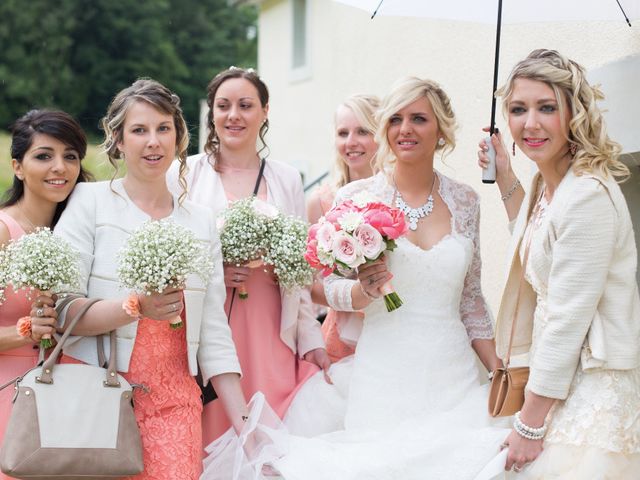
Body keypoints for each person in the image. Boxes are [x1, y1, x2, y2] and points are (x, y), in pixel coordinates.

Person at [202, 77, 510, 480]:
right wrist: (361, 293)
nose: (406, 129)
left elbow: (471, 301)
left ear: (441, 131)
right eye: (396, 119)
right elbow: (323, 286)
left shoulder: (467, 200)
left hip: (455, 374)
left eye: (419, 118)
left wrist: (498, 371)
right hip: (383, 374)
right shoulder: (356, 199)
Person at [49, 79, 249, 480]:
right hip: (99, 396)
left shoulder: (201, 221)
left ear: (179, 138)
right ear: (118, 141)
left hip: (175, 402)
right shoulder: (88, 202)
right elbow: (62, 310)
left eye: (163, 128)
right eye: (139, 130)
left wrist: (247, 427)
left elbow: (212, 329)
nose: (153, 142)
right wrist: (136, 306)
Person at [478, 49, 640, 478]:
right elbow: (536, 247)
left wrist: (529, 423)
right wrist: (506, 177)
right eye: (518, 109)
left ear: (574, 113)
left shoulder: (586, 194)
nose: (530, 123)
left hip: (592, 388)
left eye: (546, 107)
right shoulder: (548, 186)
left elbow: (569, 317)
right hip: (560, 385)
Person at [166, 67, 329, 446]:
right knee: (214, 431)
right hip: (211, 323)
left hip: (272, 325)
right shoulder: (183, 173)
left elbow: (299, 271)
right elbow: (171, 250)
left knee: (272, 435)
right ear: (212, 113)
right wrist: (216, 270)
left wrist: (311, 339)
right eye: (223, 106)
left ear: (264, 112)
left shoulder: (286, 178)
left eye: (245, 105)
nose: (233, 115)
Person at [0, 110, 91, 479]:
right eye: (44, 155)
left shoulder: (79, 234)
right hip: (9, 395)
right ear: (17, 167)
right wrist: (26, 330)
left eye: (70, 156)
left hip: (70, 400)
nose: (60, 167)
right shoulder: (4, 232)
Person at [306, 94, 379, 363]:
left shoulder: (398, 197)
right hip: (341, 341)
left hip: (393, 333)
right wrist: (354, 296)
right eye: (342, 133)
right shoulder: (321, 202)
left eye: (363, 131)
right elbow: (307, 284)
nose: (351, 142)